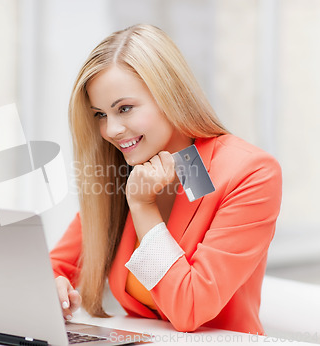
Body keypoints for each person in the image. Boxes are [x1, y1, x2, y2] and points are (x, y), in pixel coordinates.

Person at [49, 24, 282, 335]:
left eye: (125, 108)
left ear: (169, 95)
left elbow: (190, 308)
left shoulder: (249, 173)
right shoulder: (126, 168)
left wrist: (143, 207)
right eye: (100, 114)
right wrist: (55, 286)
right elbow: (53, 268)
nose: (111, 130)